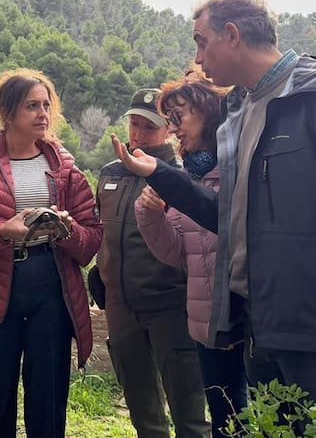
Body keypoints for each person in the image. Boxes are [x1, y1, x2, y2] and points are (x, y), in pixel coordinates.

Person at [111, 0, 316, 419]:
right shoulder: (237, 111)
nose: (197, 59)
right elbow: (229, 218)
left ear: (232, 34)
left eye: (201, 41)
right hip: (259, 327)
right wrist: (159, 174)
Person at [0, 69, 103, 438]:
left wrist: (65, 231)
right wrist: (2, 230)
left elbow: (92, 237)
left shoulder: (63, 165)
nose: (43, 114)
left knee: (48, 394)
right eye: (32, 106)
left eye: (46, 105)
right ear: (7, 111)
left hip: (52, 284)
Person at [134, 73, 247, 438]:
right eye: (169, 120)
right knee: (225, 424)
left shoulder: (240, 168)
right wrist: (150, 214)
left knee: (255, 419)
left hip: (247, 325)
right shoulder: (188, 178)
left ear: (210, 111)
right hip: (207, 326)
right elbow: (176, 251)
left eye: (178, 116)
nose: (172, 129)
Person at [94, 88, 209, 438]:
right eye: (134, 123)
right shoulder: (109, 173)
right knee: (144, 416)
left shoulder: (180, 178)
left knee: (190, 416)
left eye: (149, 125)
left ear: (167, 130)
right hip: (121, 308)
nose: (139, 133)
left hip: (170, 308)